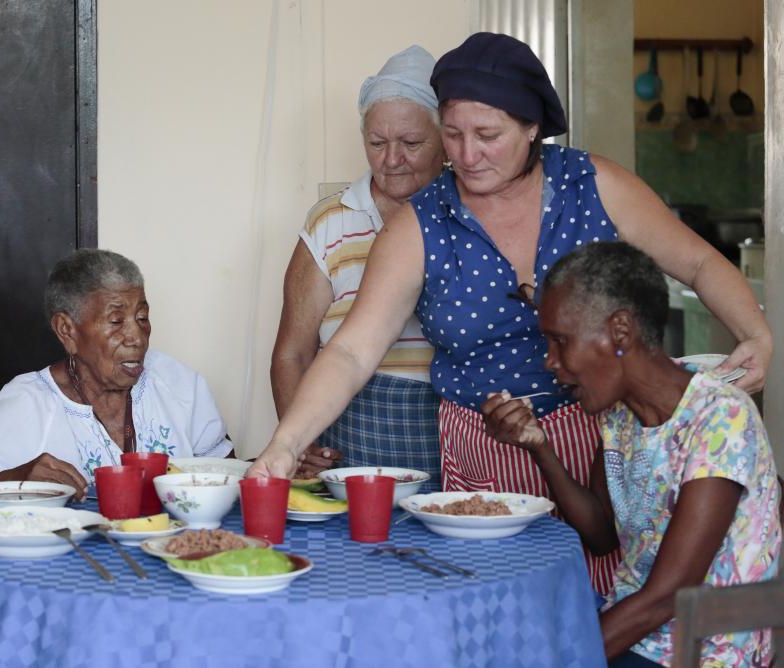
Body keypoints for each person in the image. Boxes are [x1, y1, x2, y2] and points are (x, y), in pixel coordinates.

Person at [248, 32, 772, 595]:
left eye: (487, 135)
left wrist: (757, 333)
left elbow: (696, 261)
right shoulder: (423, 222)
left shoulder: (593, 184)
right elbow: (351, 351)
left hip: (598, 441)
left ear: (531, 128)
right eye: (452, 134)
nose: (466, 155)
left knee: (602, 592)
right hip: (482, 447)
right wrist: (285, 443)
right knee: (496, 607)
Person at [482, 241, 780, 667]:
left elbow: (668, 597)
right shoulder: (619, 416)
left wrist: (561, 657)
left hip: (706, 650)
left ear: (620, 332)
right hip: (639, 632)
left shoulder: (720, 418)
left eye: (559, 341)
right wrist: (539, 446)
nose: (549, 361)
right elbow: (602, 536)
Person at [0, 249, 232, 522]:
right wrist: (14, 481)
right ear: (67, 330)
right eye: (116, 321)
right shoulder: (32, 402)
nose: (136, 337)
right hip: (71, 581)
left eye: (142, 317)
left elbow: (233, 481)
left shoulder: (179, 383)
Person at [271, 45, 443, 485]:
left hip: (449, 435)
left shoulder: (470, 215)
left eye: (411, 143)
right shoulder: (332, 221)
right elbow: (292, 351)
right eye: (377, 142)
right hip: (350, 433)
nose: (391, 159)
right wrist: (300, 443)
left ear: (446, 138)